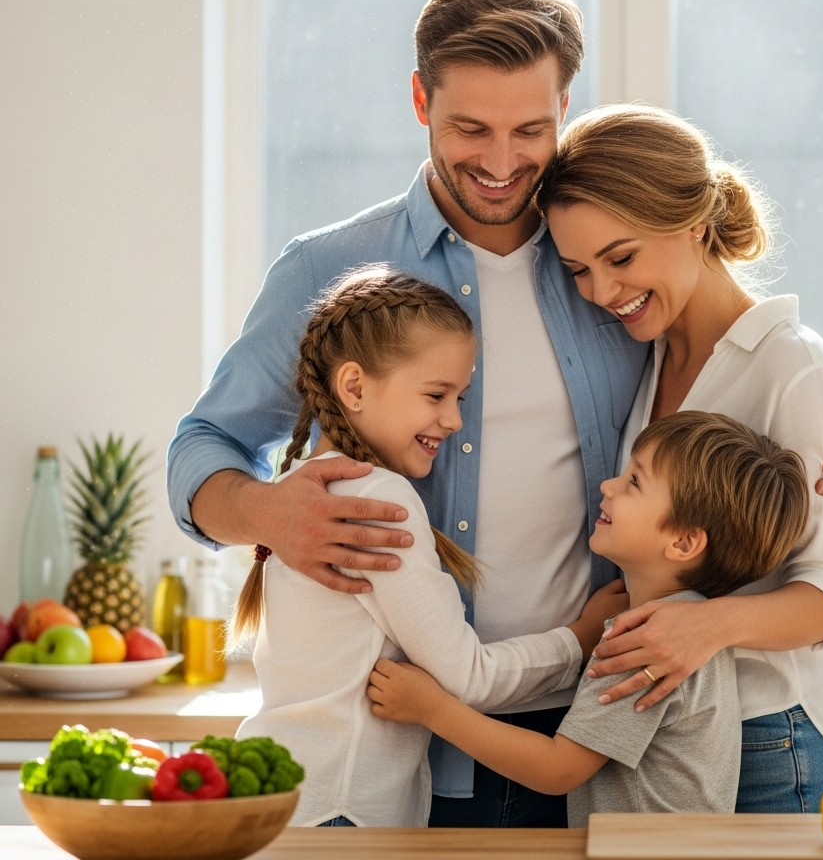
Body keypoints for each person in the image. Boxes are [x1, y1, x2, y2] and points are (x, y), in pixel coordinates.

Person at [167, 0, 823, 827]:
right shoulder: (329, 270)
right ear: (419, 101)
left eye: (531, 129)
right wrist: (267, 514)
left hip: (602, 728)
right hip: (416, 745)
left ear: (565, 110)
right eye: (470, 127)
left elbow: (740, 420)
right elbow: (205, 443)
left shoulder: (608, 268)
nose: (501, 162)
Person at [535, 103, 823, 813]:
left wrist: (706, 626)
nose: (602, 292)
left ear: (694, 223)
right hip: (675, 734)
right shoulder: (651, 358)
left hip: (774, 738)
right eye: (578, 270)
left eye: (621, 257)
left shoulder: (795, 368)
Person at [231, 267, 625, 828]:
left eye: (460, 396)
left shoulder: (307, 486)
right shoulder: (376, 498)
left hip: (289, 795)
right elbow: (470, 677)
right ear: (354, 387)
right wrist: (581, 639)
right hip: (341, 813)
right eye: (437, 394)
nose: (455, 419)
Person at [368, 411, 810, 827]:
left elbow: (559, 769)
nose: (608, 486)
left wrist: (432, 709)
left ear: (683, 542)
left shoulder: (646, 641)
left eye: (635, 481)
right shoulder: (686, 624)